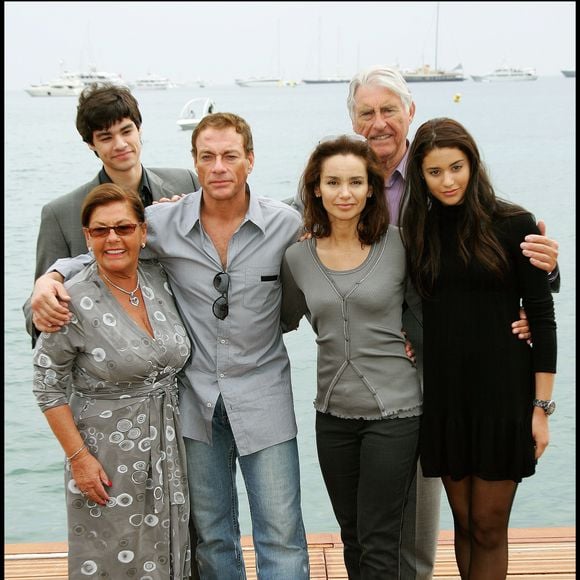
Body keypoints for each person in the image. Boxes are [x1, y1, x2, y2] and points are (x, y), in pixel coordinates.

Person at [29, 113, 310, 580]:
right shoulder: (161, 222)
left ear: (250, 161)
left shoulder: (285, 225)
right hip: (193, 405)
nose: (218, 167)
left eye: (229, 156)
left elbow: (330, 270)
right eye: (207, 157)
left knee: (281, 535)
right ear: (194, 164)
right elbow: (107, 246)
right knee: (215, 536)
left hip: (266, 398)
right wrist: (51, 276)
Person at [400, 117, 557, 579]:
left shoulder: (515, 224)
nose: (448, 180)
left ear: (472, 163)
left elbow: (543, 319)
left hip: (503, 397)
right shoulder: (419, 232)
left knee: (489, 527)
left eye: (456, 166)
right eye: (435, 171)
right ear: (421, 177)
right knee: (464, 525)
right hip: (447, 398)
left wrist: (540, 407)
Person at [32, 183, 192, 579]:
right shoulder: (71, 299)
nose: (113, 238)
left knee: (172, 553)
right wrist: (79, 460)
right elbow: (46, 383)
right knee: (111, 557)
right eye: (100, 231)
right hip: (106, 456)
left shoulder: (160, 280)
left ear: (142, 232)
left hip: (169, 447)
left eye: (123, 227)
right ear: (87, 238)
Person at [281, 135, 423, 578]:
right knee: (352, 535)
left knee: (379, 541)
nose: (345, 193)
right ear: (316, 189)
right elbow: (278, 320)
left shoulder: (401, 246)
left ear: (370, 189)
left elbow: (436, 307)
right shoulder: (297, 257)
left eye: (356, 182)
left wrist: (524, 308)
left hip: (395, 415)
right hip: (333, 415)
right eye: (334, 182)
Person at [23, 82, 200, 341]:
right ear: (90, 144)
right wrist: (40, 308)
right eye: (106, 137)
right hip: (108, 354)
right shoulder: (60, 214)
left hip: (184, 348)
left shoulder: (186, 183)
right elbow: (37, 303)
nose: (120, 144)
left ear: (139, 129)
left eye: (126, 131)